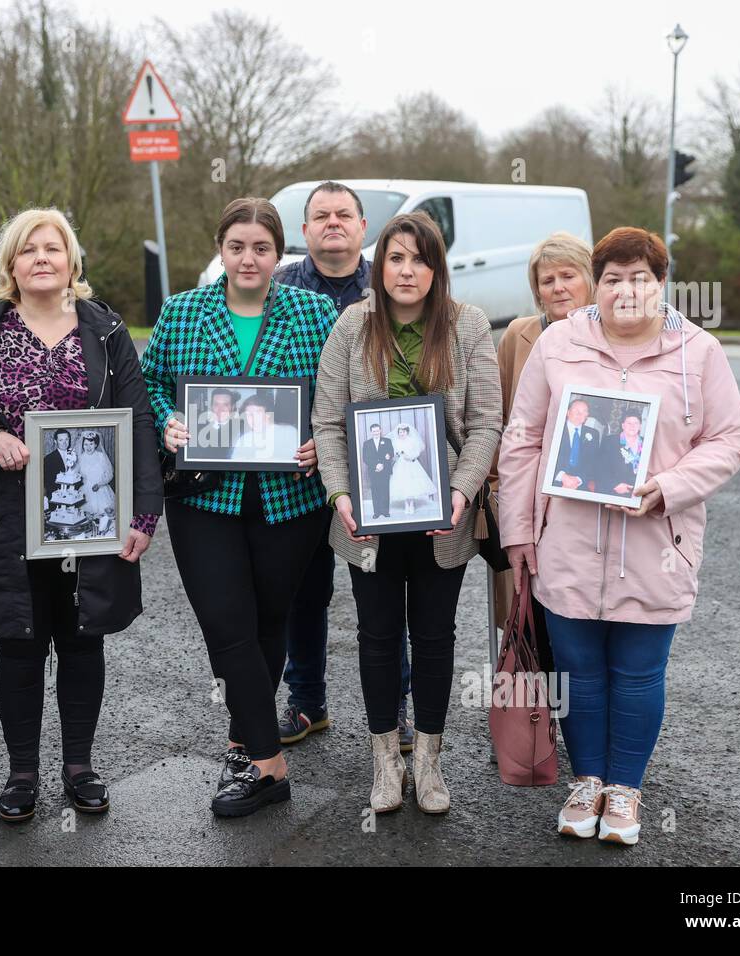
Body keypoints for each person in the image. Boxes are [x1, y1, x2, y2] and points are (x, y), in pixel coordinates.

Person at [498, 227, 740, 845]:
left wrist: (670, 485)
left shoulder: (698, 351)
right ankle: (587, 783)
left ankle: (627, 791)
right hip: (568, 542)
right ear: (598, 284)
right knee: (579, 672)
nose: (626, 290)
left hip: (656, 545)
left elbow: (730, 439)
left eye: (640, 277)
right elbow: (523, 438)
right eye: (613, 278)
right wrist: (519, 531)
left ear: (661, 284)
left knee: (638, 673)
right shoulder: (559, 343)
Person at [0, 208, 163, 822]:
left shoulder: (107, 331)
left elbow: (139, 421)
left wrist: (143, 515)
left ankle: (79, 767)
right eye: (28, 249)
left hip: (89, 515)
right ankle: (21, 773)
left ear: (71, 262)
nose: (42, 258)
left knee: (83, 639)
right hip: (7, 521)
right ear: (10, 265)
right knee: (20, 643)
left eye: (53, 248)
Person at [141, 196, 336, 818]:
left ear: (280, 254)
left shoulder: (314, 311)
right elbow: (147, 383)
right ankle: (269, 764)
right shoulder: (182, 311)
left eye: (261, 247)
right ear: (220, 250)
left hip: (291, 498)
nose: (248, 258)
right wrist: (168, 419)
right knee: (227, 625)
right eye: (236, 247)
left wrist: (321, 442)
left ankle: (240, 741)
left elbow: (340, 393)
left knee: (267, 622)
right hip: (205, 498)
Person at [313, 212, 501, 814]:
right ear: (380, 263)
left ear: (435, 268)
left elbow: (486, 423)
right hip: (365, 521)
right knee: (376, 637)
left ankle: (429, 761)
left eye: (420, 259)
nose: (407, 270)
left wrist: (463, 491)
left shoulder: (467, 325)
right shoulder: (352, 325)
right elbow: (327, 420)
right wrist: (339, 494)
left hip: (441, 514)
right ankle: (385, 763)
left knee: (436, 637)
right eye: (396, 257)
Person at [273, 181, 415, 751]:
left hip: (377, 470)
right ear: (303, 232)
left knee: (380, 596)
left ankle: (397, 709)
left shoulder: (393, 287)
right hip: (298, 468)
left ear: (363, 228)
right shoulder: (279, 288)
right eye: (320, 216)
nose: (332, 223)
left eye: (344, 215)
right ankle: (307, 702)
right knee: (302, 594)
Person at [488, 233, 595, 659]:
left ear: (590, 279)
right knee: (526, 614)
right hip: (524, 495)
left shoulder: (608, 336)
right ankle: (531, 721)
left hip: (581, 498)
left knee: (577, 614)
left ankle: (577, 713)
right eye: (547, 280)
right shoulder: (519, 334)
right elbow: (495, 414)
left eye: (568, 275)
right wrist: (495, 485)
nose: (558, 287)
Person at [230, 390, 300, 461]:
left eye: (257, 413)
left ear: (268, 414)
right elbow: (235, 463)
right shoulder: (244, 438)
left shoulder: (289, 432)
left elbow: (295, 462)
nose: (253, 418)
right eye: (248, 414)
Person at [386, 422, 439, 515]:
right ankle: (406, 504)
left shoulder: (412, 440)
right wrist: (398, 454)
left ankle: (412, 504)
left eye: (403, 432)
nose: (402, 434)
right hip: (401, 464)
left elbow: (417, 452)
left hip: (411, 463)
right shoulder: (396, 441)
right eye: (400, 432)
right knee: (404, 483)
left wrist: (410, 456)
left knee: (412, 483)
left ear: (407, 432)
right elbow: (394, 452)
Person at [552, 398, 603, 491]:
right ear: (567, 412)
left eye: (584, 411)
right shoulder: (555, 428)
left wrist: (578, 480)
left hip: (579, 484)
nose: (580, 414)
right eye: (576, 410)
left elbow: (593, 462)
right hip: (554, 480)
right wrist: (562, 476)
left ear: (587, 415)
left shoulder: (594, 433)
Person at [597, 412, 646, 496]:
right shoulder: (609, 441)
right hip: (614, 490)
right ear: (623, 425)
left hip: (639, 492)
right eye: (629, 423)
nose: (632, 426)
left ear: (640, 426)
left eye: (636, 423)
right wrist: (614, 485)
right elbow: (600, 467)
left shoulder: (646, 443)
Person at [360, 422, 394, 518]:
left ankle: (385, 511)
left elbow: (391, 453)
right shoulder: (367, 443)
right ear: (371, 432)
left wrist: (387, 459)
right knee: (375, 491)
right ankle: (377, 512)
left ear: (380, 430)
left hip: (385, 469)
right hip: (373, 471)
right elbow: (365, 458)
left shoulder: (387, 441)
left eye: (377, 430)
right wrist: (376, 465)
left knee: (385, 490)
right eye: (374, 431)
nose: (376, 432)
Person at [78, 431, 116, 516]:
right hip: (86, 491)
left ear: (95, 444)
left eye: (91, 444)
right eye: (85, 444)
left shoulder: (101, 456)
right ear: (82, 445)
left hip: (102, 490)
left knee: (104, 517)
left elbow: (109, 474)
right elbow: (75, 475)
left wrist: (100, 484)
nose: (88, 447)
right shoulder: (80, 458)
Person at [194, 388, 241, 456]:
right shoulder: (197, 428)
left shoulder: (240, 429)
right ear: (211, 406)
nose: (220, 409)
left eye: (225, 404)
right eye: (216, 404)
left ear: (232, 407)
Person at [43, 429, 77, 501]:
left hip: (72, 497)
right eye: (61, 440)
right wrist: (60, 496)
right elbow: (48, 482)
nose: (64, 443)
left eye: (66, 439)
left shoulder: (74, 455)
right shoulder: (48, 459)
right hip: (57, 498)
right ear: (55, 441)